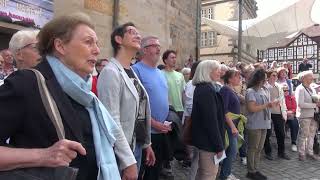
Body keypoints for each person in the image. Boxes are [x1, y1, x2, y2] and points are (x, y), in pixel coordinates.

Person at [0, 13, 138, 180]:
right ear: (60, 46)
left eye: (96, 43)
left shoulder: (85, 93)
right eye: (88, 42)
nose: (97, 50)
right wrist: (43, 156)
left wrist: (127, 162)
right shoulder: (27, 83)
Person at [97, 22, 154, 173]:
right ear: (118, 39)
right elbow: (112, 120)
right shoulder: (110, 72)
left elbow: (139, 113)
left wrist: (146, 143)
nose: (138, 35)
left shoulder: (131, 71)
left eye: (138, 32)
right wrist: (127, 161)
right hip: (121, 152)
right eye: (131, 32)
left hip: (137, 145)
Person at [132, 36, 171, 180]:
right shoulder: (136, 70)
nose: (158, 48)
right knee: (142, 172)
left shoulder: (160, 73)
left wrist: (165, 123)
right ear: (145, 50)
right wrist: (154, 123)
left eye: (159, 45)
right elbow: (136, 105)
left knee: (155, 172)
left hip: (161, 132)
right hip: (146, 133)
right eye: (154, 45)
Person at [191, 60, 225, 180]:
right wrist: (219, 146)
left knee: (203, 173)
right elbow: (211, 121)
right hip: (208, 142)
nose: (219, 72)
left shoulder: (204, 88)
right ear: (207, 71)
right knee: (209, 174)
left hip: (205, 140)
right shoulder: (207, 90)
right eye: (217, 69)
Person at [246, 69, 277, 180]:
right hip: (254, 123)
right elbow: (251, 108)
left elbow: (266, 105)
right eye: (264, 77)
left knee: (259, 148)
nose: (266, 79)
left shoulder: (264, 90)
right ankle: (251, 171)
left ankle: (256, 169)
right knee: (253, 148)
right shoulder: (251, 91)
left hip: (264, 123)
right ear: (258, 79)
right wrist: (267, 105)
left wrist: (272, 104)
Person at [219, 69, 241, 180]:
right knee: (232, 150)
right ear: (230, 79)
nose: (239, 78)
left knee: (231, 150)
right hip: (228, 125)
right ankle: (224, 175)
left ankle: (226, 173)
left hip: (233, 124)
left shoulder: (231, 89)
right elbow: (224, 110)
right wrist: (232, 127)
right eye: (236, 76)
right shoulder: (225, 90)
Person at [264, 69, 290, 161]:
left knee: (281, 133)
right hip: (267, 111)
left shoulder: (279, 86)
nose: (275, 77)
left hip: (278, 112)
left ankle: (281, 152)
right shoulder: (264, 86)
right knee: (267, 133)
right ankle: (268, 152)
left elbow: (282, 100)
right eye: (273, 75)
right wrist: (270, 102)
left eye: (276, 75)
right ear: (268, 77)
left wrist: (285, 112)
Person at [295, 70, 320, 161]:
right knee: (304, 134)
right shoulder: (300, 89)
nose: (312, 78)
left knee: (312, 135)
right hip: (304, 115)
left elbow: (315, 100)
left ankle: (310, 152)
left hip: (314, 115)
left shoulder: (312, 88)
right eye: (311, 76)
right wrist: (315, 105)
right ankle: (301, 153)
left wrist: (317, 103)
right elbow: (300, 104)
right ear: (304, 78)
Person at [283, 84, 299, 152]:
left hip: (290, 115)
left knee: (295, 124)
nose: (286, 91)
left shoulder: (291, 97)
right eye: (284, 90)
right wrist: (285, 112)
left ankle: (294, 143)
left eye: (287, 90)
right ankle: (280, 143)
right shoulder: (279, 98)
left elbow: (295, 107)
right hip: (281, 115)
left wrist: (291, 112)